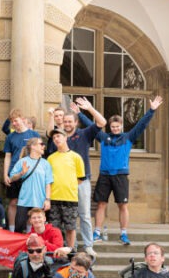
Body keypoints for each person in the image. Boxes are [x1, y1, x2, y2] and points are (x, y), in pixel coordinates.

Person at [94, 96, 163, 245]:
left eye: (117, 127)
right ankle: (97, 232)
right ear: (109, 127)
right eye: (113, 127)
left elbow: (141, 125)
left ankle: (123, 233)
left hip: (121, 175)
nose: (115, 129)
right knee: (101, 204)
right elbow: (91, 126)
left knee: (123, 205)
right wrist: (83, 111)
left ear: (121, 126)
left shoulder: (128, 137)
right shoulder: (103, 137)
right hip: (105, 175)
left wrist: (151, 110)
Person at [47, 99, 105, 258]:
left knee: (84, 214)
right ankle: (70, 246)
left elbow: (102, 122)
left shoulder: (84, 133)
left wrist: (90, 108)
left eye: (69, 121)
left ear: (75, 122)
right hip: (62, 186)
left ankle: (88, 245)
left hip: (82, 181)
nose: (67, 124)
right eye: (64, 121)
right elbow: (48, 133)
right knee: (66, 219)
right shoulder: (58, 138)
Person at [46, 128, 85, 252]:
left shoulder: (76, 157)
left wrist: (68, 186)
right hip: (54, 198)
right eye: (54, 137)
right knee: (55, 229)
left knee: (70, 227)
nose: (56, 139)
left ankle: (70, 251)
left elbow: (80, 178)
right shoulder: (51, 158)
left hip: (70, 198)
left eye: (59, 136)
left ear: (65, 137)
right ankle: (55, 251)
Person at [3, 109, 41, 232]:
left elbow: (39, 154)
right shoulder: (10, 137)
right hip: (14, 173)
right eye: (12, 122)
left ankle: (30, 230)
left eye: (16, 120)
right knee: (13, 202)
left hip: (30, 174)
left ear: (23, 119)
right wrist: (5, 174)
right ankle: (12, 230)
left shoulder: (34, 135)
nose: (14, 124)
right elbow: (7, 156)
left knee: (30, 203)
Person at [9, 137, 54, 233]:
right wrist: (21, 173)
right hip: (24, 201)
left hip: (40, 201)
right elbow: (11, 178)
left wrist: (47, 200)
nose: (43, 146)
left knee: (40, 229)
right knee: (19, 229)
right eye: (41, 144)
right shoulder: (22, 161)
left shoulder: (46, 164)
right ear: (33, 146)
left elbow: (48, 183)